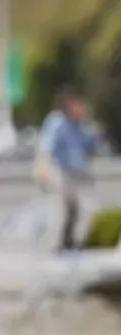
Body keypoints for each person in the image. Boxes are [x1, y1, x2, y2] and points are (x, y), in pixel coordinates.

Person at [35, 87, 99, 252]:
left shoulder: (82, 126)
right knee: (59, 212)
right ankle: (54, 247)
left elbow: (91, 148)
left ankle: (75, 243)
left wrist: (89, 124)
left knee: (88, 209)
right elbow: (45, 147)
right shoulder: (57, 121)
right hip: (59, 172)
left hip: (77, 175)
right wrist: (42, 168)